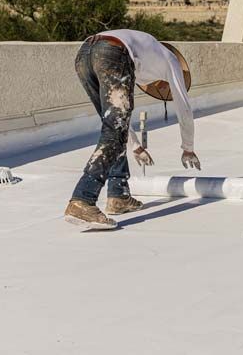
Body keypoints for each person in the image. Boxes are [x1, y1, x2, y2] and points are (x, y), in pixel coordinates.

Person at [64, 29, 201, 230]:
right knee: (114, 130)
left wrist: (135, 146)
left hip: (85, 53)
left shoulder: (147, 51)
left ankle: (118, 195)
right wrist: (188, 147)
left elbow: (118, 122)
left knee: (111, 125)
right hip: (113, 51)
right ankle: (82, 199)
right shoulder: (171, 60)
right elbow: (184, 105)